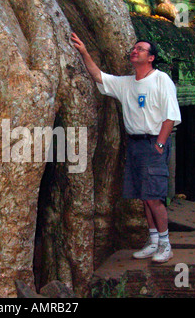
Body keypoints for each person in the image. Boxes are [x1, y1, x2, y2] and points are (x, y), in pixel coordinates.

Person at [71, 33, 181, 263]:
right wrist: (84, 52)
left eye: (140, 49)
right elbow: (99, 77)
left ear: (150, 58)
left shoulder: (161, 80)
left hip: (153, 143)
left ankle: (165, 244)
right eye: (134, 48)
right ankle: (153, 241)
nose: (135, 50)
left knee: (154, 197)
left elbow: (170, 117)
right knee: (144, 196)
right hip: (135, 144)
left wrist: (160, 144)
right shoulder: (126, 83)